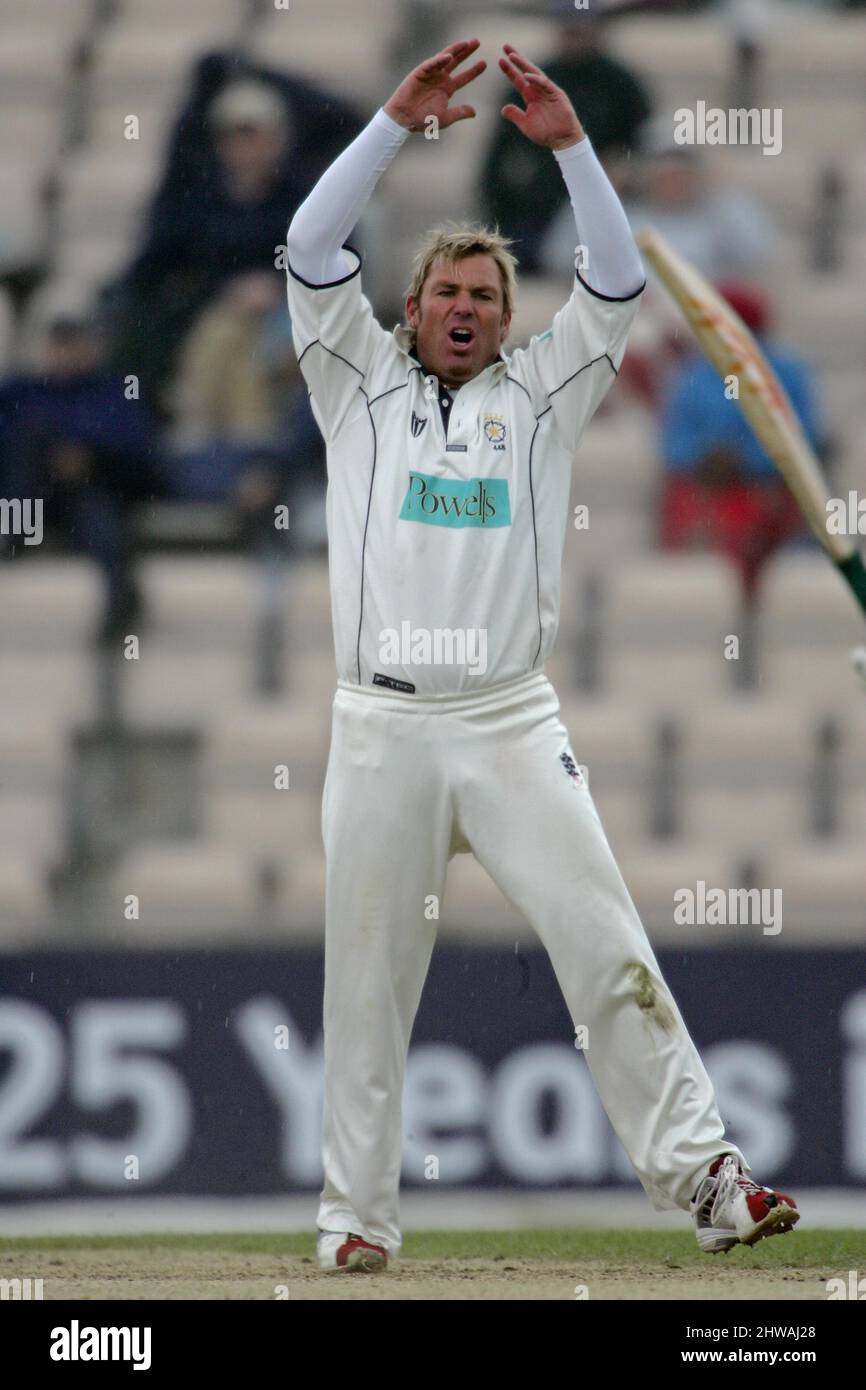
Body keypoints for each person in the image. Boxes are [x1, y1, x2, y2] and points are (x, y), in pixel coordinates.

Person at [285, 39, 799, 1274]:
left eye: (484, 297)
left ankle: (708, 1181)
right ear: (408, 310)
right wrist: (392, 127)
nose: (463, 309)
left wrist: (571, 150)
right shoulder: (350, 380)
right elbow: (309, 247)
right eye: (445, 293)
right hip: (379, 722)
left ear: (508, 322)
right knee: (365, 988)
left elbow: (616, 280)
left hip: (509, 721)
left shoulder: (543, 395)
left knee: (605, 947)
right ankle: (356, 1219)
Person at [0, 315, 164, 643]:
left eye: (73, 347)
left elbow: (141, 452)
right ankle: (14, 530)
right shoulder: (20, 391)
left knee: (102, 522)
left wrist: (87, 455)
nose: (65, 356)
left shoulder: (114, 393)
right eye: (58, 347)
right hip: (28, 495)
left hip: (89, 490)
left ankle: (119, 605)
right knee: (31, 445)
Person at [659, 280, 823, 599]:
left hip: (766, 485)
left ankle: (762, 607)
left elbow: (803, 441)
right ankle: (701, 607)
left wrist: (747, 459)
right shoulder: (695, 373)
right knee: (694, 528)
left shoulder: (788, 373)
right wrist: (704, 457)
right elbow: (674, 443)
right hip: (706, 485)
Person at [480, 10, 652, 269]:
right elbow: (498, 160)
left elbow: (645, 144)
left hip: (607, 203)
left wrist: (623, 169)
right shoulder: (531, 81)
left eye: (582, 28)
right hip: (540, 208)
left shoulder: (621, 84)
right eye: (569, 29)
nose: (576, 37)